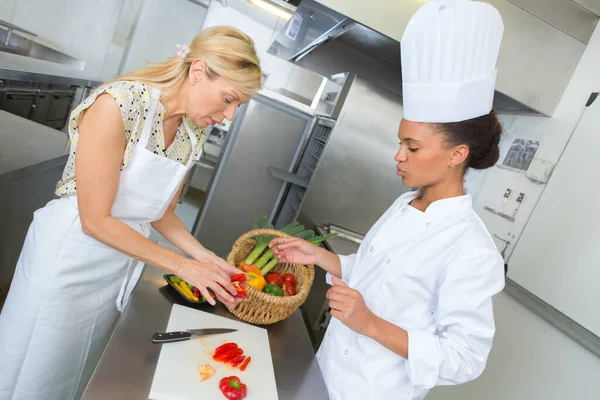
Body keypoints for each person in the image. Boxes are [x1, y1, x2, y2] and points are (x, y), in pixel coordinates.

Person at [0, 26, 262, 400]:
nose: (229, 115)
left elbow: (162, 213)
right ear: (199, 71)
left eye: (238, 106)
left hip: (119, 264)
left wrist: (208, 260)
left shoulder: (192, 131)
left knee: (74, 371)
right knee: (33, 365)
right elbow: (95, 219)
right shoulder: (119, 104)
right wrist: (183, 266)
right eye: (228, 99)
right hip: (68, 257)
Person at [270, 1, 506, 399]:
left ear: (457, 154)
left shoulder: (472, 250)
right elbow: (378, 273)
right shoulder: (406, 205)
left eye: (412, 147)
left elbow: (465, 358)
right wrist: (319, 257)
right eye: (400, 143)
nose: (399, 155)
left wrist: (370, 324)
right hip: (328, 370)